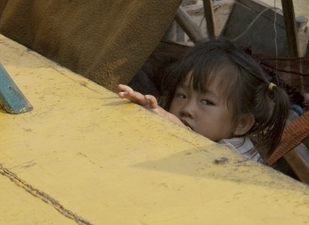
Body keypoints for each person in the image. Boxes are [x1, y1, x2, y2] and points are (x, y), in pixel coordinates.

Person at [118, 38, 289, 164]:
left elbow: (203, 155)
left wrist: (169, 121)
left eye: (206, 102)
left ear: (241, 123)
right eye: (181, 95)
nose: (187, 109)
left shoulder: (237, 157)